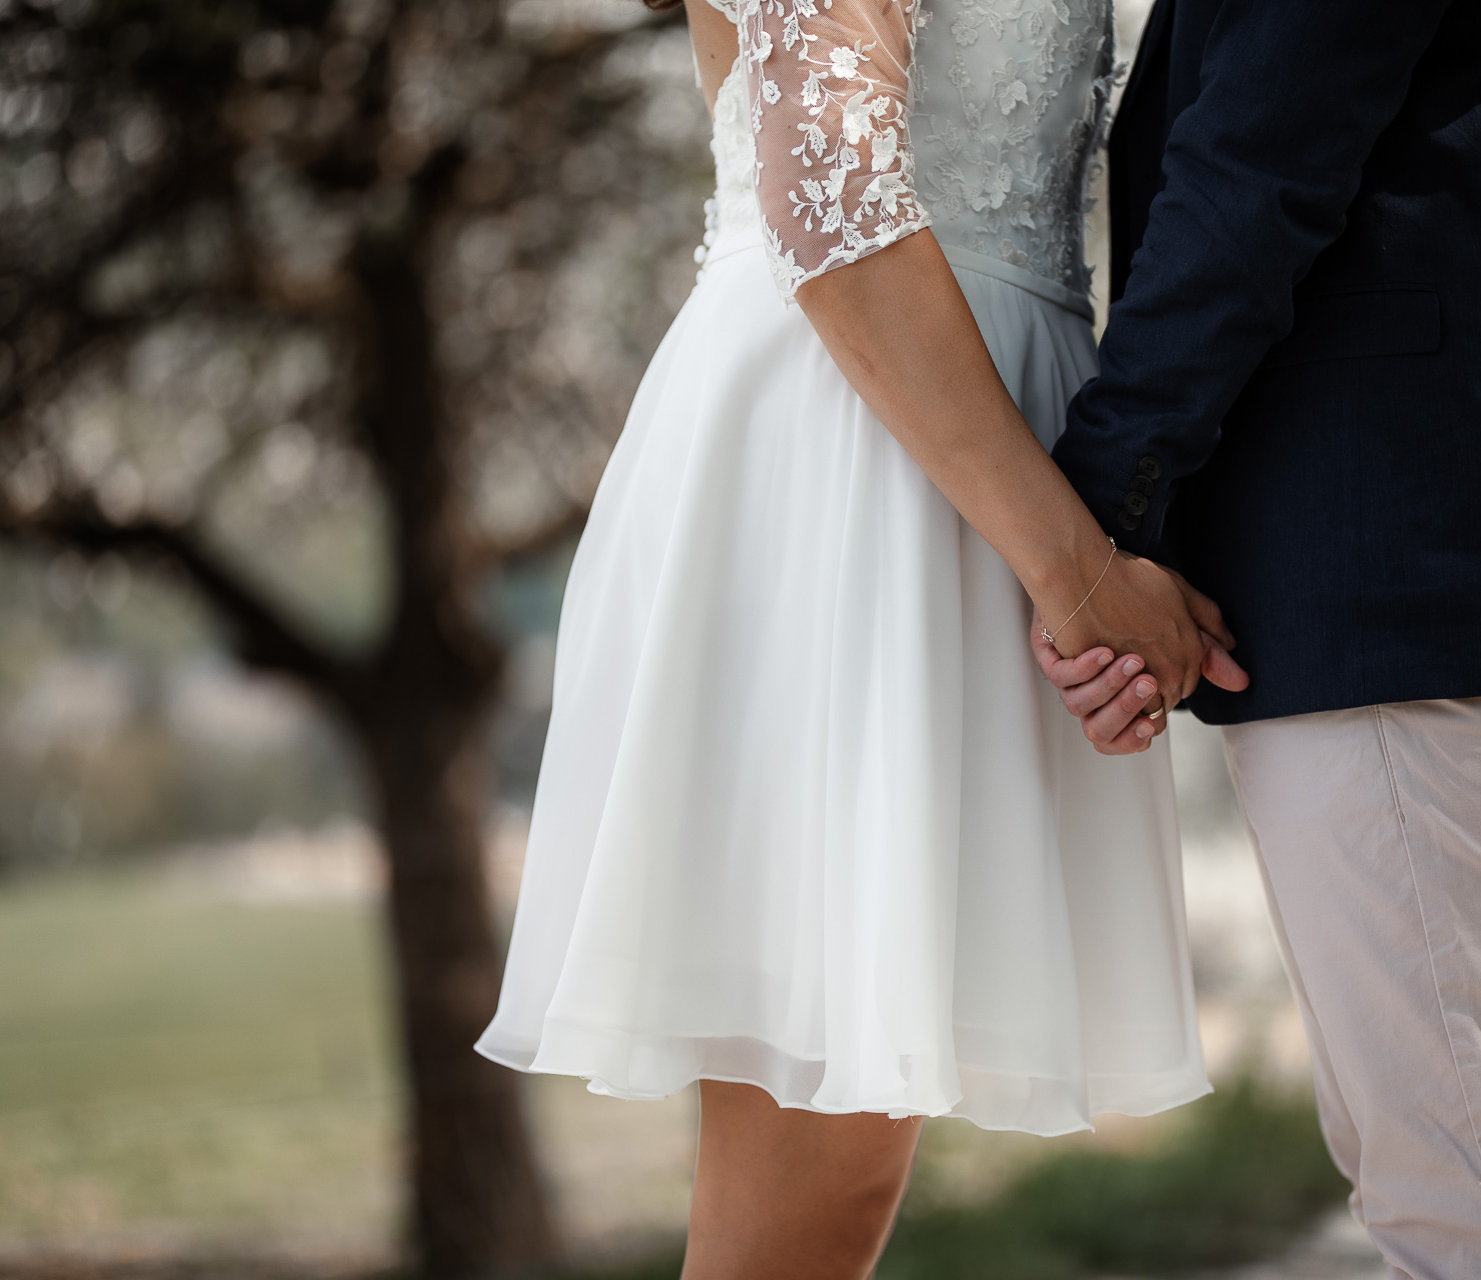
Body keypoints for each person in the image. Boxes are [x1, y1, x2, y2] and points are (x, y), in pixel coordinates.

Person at [476, 0, 1246, 1272]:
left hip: (966, 456)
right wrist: (1079, 570)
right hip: (849, 460)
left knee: (837, 1180)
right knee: (805, 1198)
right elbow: (827, 191)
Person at [1035, 0, 1481, 1275]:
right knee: (1441, 1171)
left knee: (1480, 1200)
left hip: (1382, 555)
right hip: (1410, 549)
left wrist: (1083, 535)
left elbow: (1255, 170)